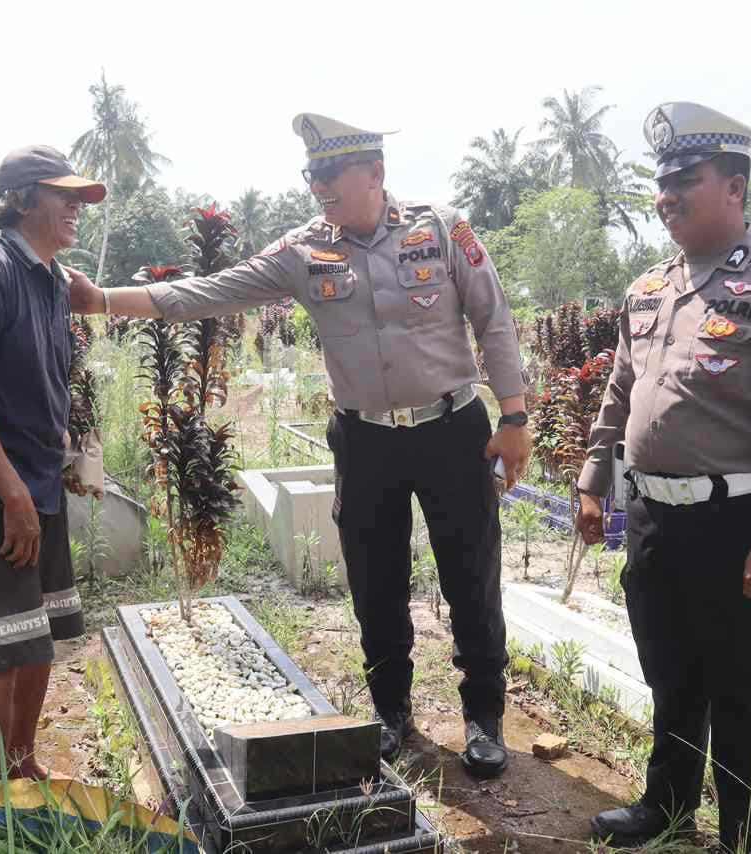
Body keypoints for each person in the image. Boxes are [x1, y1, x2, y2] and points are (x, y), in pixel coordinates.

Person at [83, 114, 531, 778]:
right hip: (365, 441)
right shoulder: (302, 250)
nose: (318, 187)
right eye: (311, 174)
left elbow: (494, 319)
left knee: (470, 576)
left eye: (330, 173)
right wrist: (101, 299)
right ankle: (391, 713)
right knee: (375, 583)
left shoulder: (440, 227)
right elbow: (208, 292)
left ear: (374, 174)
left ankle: (483, 717)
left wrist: (515, 414)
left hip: (451, 430)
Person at [575, 103, 751, 852]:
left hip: (742, 527)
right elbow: (619, 394)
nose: (666, 196)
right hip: (657, 519)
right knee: (673, 674)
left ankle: (743, 838)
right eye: (660, 182)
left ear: (734, 185)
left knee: (747, 690)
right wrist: (595, 478)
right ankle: (666, 807)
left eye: (684, 180)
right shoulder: (649, 288)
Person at [0, 145, 106, 785]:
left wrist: (67, 456)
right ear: (24, 199)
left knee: (39, 641)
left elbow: (37, 384)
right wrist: (12, 495)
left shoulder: (52, 282)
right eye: (66, 196)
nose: (76, 210)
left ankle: (22, 763)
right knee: (1, 653)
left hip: (37, 487)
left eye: (80, 199)